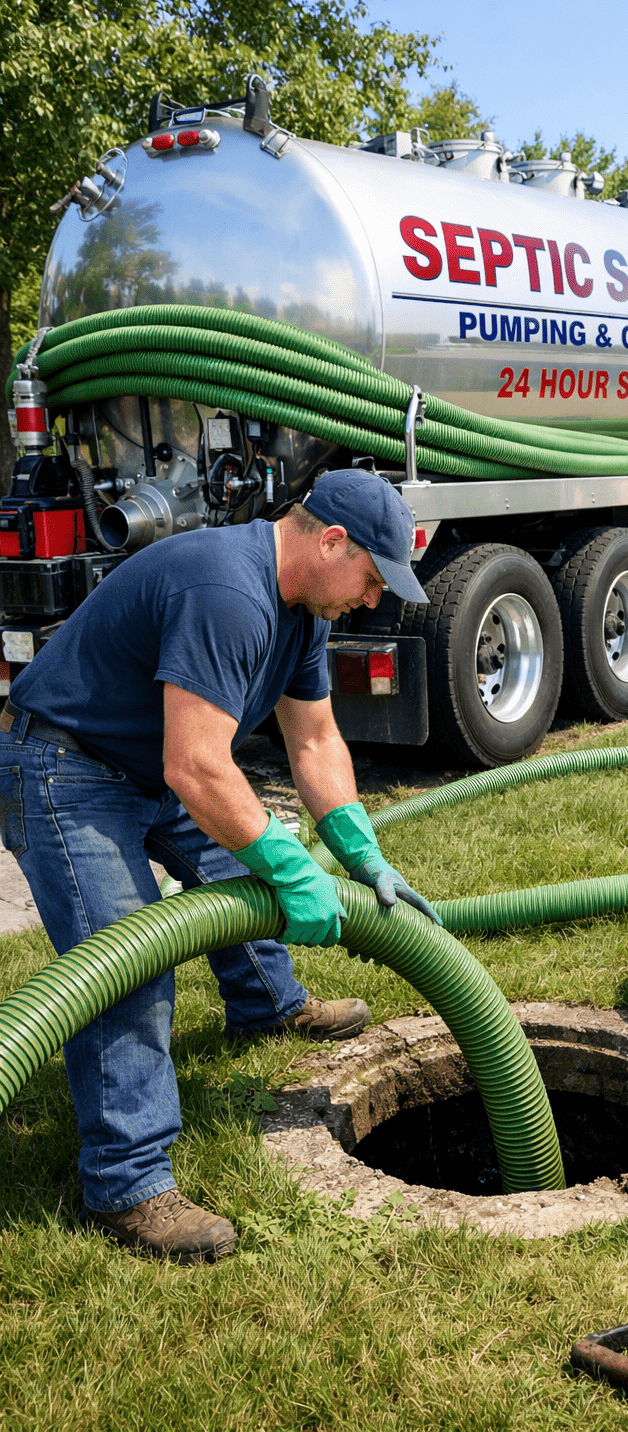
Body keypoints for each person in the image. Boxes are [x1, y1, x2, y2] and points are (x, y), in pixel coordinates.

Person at [0, 468, 440, 1264]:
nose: (373, 600)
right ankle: (128, 1184)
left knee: (242, 877)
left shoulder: (305, 609)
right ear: (331, 542)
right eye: (373, 579)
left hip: (146, 764)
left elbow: (313, 742)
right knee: (125, 961)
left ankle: (269, 1004)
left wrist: (358, 849)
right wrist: (288, 864)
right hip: (65, 763)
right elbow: (197, 768)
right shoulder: (228, 591)